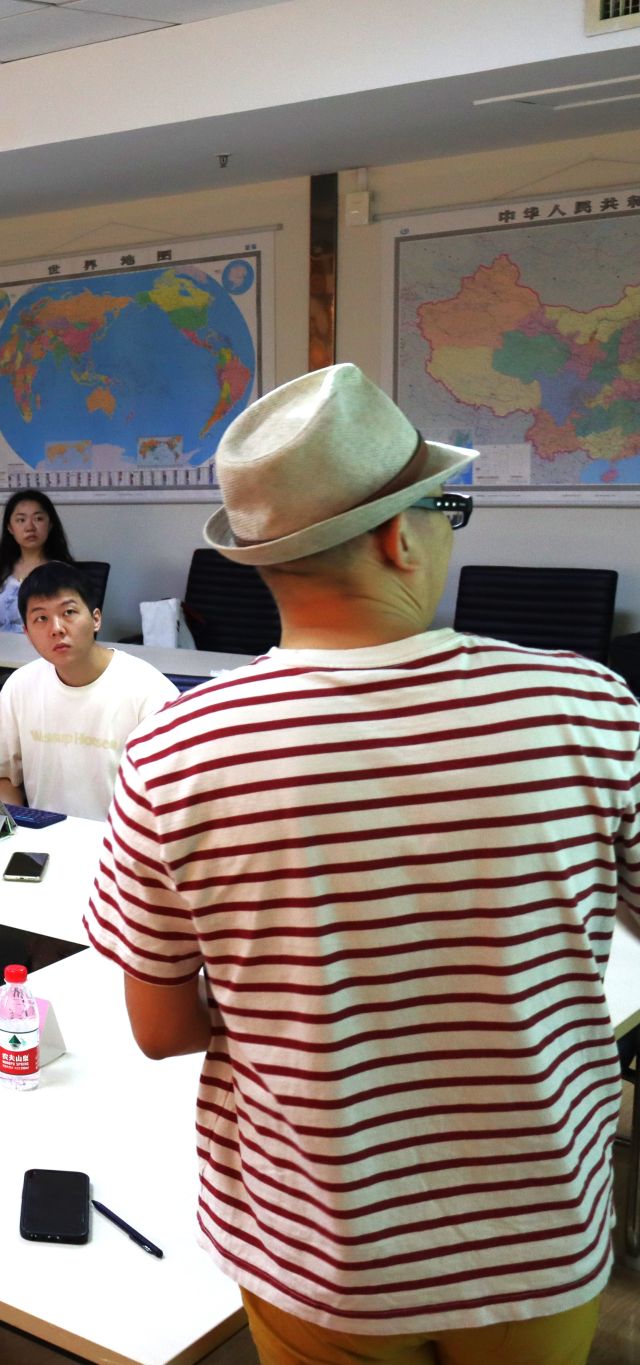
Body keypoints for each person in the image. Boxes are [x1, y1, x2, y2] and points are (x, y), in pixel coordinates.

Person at [84, 364, 623, 1364]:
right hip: (537, 1233)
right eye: (447, 509)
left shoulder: (175, 748)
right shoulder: (587, 705)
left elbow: (159, 1030)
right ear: (396, 537)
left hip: (318, 1246)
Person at [0, 562, 175, 820]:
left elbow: (173, 795)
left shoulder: (151, 692)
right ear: (26, 632)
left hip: (123, 841)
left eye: (68, 612)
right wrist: (18, 829)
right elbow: (1, 776)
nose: (56, 628)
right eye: (41, 618)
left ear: (96, 619)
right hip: (44, 836)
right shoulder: (20, 686)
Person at [0, 491, 74, 631]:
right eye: (21, 520)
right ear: (10, 528)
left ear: (50, 524)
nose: (30, 527)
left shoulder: (61, 574)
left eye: (38, 519)